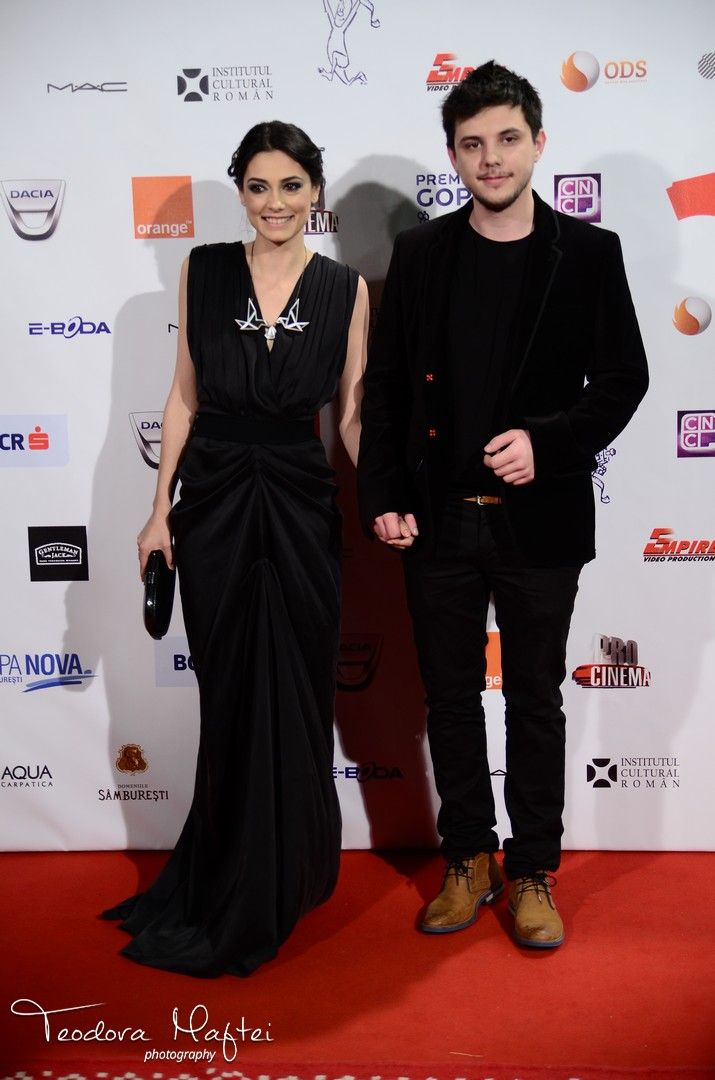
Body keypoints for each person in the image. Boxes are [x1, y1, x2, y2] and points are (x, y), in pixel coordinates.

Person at [357, 61, 648, 948]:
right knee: (448, 699)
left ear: (538, 143)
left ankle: (531, 872)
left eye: (507, 139)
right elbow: (387, 385)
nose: (491, 158)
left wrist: (547, 442)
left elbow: (624, 378)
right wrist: (385, 492)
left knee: (533, 700)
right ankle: (466, 859)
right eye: (472, 143)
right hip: (437, 516)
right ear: (453, 154)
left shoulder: (588, 253)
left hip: (539, 519)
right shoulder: (421, 253)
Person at [102, 121, 368, 976]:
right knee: (228, 698)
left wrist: (393, 495)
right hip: (214, 504)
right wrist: (159, 512)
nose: (274, 203)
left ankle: (285, 876)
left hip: (300, 505)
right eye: (258, 187)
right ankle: (223, 878)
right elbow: (182, 395)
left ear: (314, 191)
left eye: (291, 185)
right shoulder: (205, 269)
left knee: (295, 694)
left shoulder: (346, 290)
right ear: (242, 192)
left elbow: (350, 415)